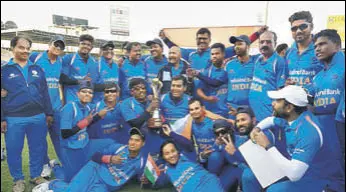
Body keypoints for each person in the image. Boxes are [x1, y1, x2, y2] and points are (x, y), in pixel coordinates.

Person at [244, 85, 344, 192]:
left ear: (289, 108)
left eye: (278, 101)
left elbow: (294, 174)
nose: (273, 103)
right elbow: (270, 120)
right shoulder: (292, 119)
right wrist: (256, 128)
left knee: (275, 190)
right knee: (249, 175)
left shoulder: (309, 131)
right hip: (302, 174)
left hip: (323, 182)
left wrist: (268, 146)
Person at [1, 36, 53, 191]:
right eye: (21, 47)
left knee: (37, 148)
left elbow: (44, 92)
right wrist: (1, 118)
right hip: (13, 118)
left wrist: (48, 113)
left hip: (37, 116)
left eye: (28, 48)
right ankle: (18, 179)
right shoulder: (4, 70)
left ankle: (36, 175)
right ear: (13, 48)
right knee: (13, 150)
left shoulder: (36, 69)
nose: (25, 51)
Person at [32, 128, 146, 192]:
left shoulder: (141, 162)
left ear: (143, 143)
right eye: (131, 139)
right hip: (94, 170)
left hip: (105, 186)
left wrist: (144, 179)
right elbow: (95, 157)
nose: (132, 142)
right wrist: (110, 158)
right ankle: (52, 184)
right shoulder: (118, 147)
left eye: (137, 140)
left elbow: (145, 177)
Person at [306, 29, 345, 176]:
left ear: (337, 46)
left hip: (340, 128)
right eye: (315, 46)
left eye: (322, 44)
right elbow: (307, 97)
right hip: (323, 131)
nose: (317, 49)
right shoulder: (318, 76)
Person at [59, 81, 114, 182]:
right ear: (78, 93)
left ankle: (105, 170)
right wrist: (84, 122)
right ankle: (56, 167)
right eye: (84, 91)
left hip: (85, 144)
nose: (87, 94)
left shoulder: (88, 107)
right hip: (71, 148)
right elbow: (65, 134)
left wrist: (98, 116)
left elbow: (90, 121)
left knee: (111, 143)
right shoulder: (70, 107)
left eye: (90, 92)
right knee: (73, 180)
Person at [29, 35, 65, 177]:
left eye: (61, 47)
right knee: (40, 139)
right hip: (39, 108)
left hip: (56, 108)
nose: (58, 48)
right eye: (56, 45)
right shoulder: (35, 57)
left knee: (59, 137)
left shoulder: (60, 61)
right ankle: (45, 165)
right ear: (49, 45)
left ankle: (65, 162)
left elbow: (59, 82)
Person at [159, 27, 267, 73]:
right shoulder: (190, 54)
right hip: (195, 93)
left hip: (213, 93)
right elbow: (174, 49)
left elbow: (240, 46)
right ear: (196, 39)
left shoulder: (218, 52)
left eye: (204, 38)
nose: (202, 41)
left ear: (209, 40)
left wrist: (258, 33)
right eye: (199, 38)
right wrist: (164, 39)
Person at [143, 140, 224, 192]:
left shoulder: (186, 155)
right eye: (167, 153)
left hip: (208, 183)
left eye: (173, 151)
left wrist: (202, 155)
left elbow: (190, 146)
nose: (171, 155)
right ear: (163, 157)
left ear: (177, 151)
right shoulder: (165, 170)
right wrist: (148, 181)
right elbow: (156, 184)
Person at [248, 31, 288, 121]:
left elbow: (281, 91)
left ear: (275, 43)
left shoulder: (278, 62)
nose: (264, 44)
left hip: (267, 114)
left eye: (268, 42)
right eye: (261, 42)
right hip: (253, 115)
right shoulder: (258, 59)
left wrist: (276, 113)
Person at [285, 11, 323, 86]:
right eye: (294, 28)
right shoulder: (288, 52)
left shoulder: (322, 50)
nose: (298, 31)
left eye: (303, 27)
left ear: (311, 26)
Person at [226, 35, 260, 119]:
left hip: (251, 109)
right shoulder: (229, 64)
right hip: (233, 109)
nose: (237, 47)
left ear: (248, 46)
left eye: (240, 44)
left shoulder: (256, 62)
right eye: (235, 45)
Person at [59, 34, 100, 104]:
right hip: (72, 101)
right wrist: (80, 81)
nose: (85, 46)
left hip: (88, 102)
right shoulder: (69, 58)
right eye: (83, 43)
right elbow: (62, 79)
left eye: (88, 45)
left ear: (91, 47)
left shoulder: (94, 62)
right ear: (79, 44)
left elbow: (94, 83)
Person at [194, 43, 229, 117]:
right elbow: (199, 90)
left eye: (217, 53)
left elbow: (215, 83)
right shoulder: (206, 71)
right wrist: (206, 98)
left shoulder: (228, 69)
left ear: (223, 54)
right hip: (211, 112)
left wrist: (197, 74)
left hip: (227, 112)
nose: (214, 56)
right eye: (212, 54)